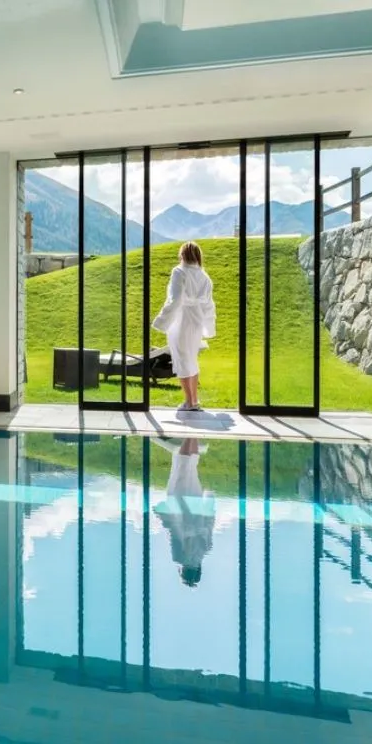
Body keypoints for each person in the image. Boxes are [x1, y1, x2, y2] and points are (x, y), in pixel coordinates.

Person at [152, 241, 216, 412]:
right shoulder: (204, 276)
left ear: (182, 255)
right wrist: (208, 326)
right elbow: (209, 305)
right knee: (191, 359)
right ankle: (194, 401)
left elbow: (175, 299)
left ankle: (189, 402)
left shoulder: (179, 272)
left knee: (181, 359)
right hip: (196, 320)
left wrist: (161, 321)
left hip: (181, 320)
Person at [153, 437, 214, 588]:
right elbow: (173, 532)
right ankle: (189, 433)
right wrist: (161, 514)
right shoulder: (179, 557)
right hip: (180, 509)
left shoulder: (206, 549)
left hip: (196, 506)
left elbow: (210, 522)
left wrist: (209, 500)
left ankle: (193, 435)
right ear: (184, 571)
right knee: (182, 466)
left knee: (191, 468)